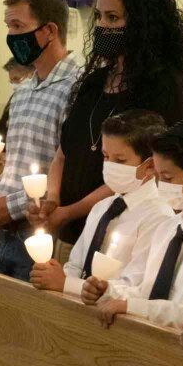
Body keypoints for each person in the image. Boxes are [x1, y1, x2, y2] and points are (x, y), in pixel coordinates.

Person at [32, 0, 183, 245]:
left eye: (113, 18)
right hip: (68, 230)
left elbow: (143, 174)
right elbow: (63, 153)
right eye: (99, 16)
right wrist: (52, 200)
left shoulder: (160, 89)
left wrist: (70, 212)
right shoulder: (93, 82)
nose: (102, 25)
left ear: (141, 25)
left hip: (120, 235)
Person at [82, 118, 183, 329]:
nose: (160, 186)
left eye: (167, 178)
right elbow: (147, 292)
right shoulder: (169, 228)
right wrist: (108, 291)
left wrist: (130, 306)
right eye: (158, 177)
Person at [0, 0, 81, 281]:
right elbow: (18, 162)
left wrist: (10, 205)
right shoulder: (23, 89)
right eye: (8, 27)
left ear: (49, 31)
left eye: (18, 26)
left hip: (41, 231)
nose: (11, 36)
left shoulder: (77, 86)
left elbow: (70, 170)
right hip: (7, 233)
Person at [31, 109, 173, 295]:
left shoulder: (159, 218)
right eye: (106, 156)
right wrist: (56, 277)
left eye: (120, 160)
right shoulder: (102, 207)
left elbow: (136, 287)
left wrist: (66, 284)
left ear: (150, 166)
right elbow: (76, 264)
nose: (109, 166)